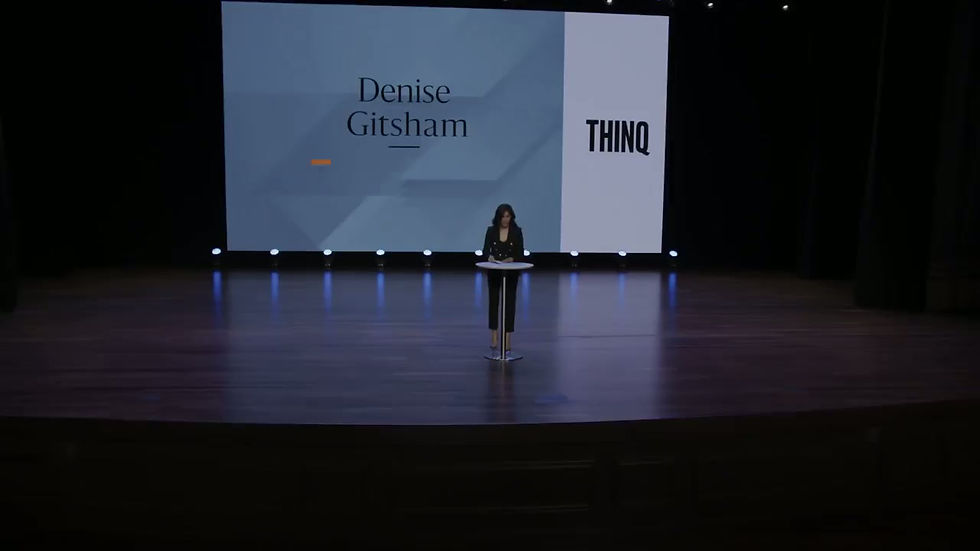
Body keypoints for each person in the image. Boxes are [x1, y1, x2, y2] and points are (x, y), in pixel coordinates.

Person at [482, 203, 525, 355]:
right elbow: (485, 251)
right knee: (493, 302)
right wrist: (489, 257)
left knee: (509, 304)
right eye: (503, 217)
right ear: (498, 218)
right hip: (494, 271)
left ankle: (507, 339)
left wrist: (511, 259)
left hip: (511, 272)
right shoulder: (491, 231)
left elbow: (520, 253)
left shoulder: (517, 232)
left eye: (508, 216)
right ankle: (494, 336)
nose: (506, 220)